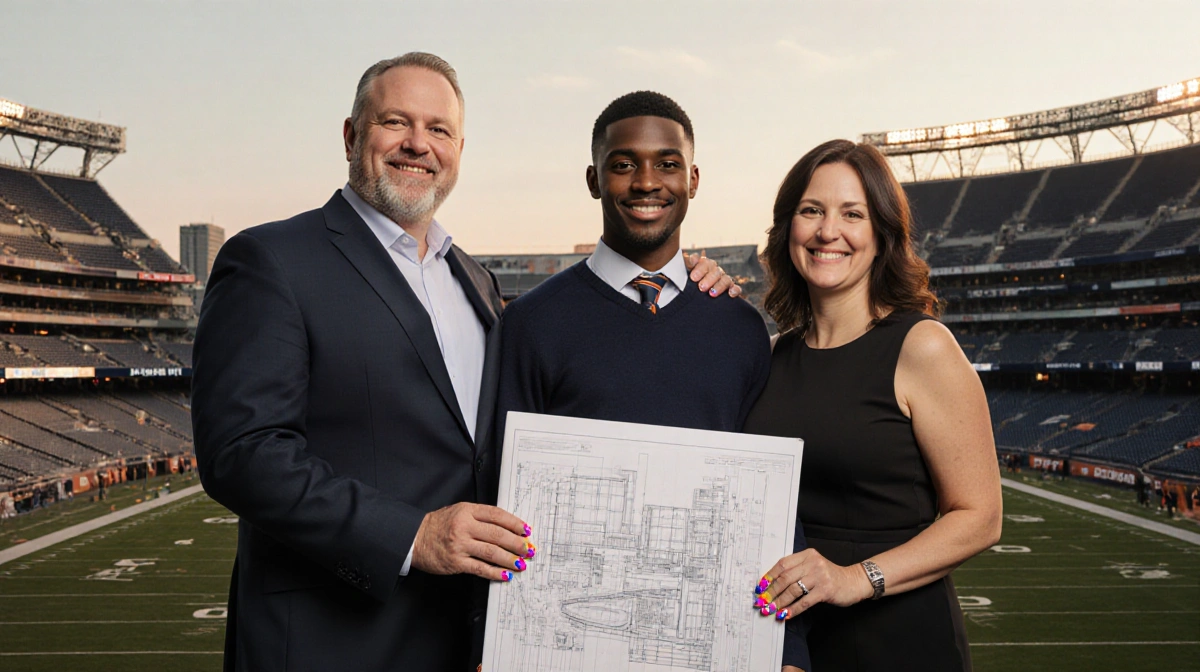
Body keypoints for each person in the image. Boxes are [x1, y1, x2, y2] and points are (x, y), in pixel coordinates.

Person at [192, 55, 732, 672]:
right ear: (351, 135)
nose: (418, 144)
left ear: (458, 149)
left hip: (460, 634)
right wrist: (412, 536)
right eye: (395, 122)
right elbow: (243, 453)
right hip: (332, 636)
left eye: (439, 129)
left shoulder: (473, 278)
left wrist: (683, 289)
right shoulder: (273, 259)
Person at [497, 90, 810, 670]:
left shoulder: (739, 326)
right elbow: (497, 494)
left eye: (667, 164)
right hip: (566, 643)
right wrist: (488, 641)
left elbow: (763, 507)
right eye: (623, 164)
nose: (647, 181)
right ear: (594, 179)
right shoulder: (530, 323)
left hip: (712, 640)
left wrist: (787, 648)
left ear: (693, 179)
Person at [743, 139, 1003, 672]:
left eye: (852, 214)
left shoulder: (922, 346)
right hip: (789, 644)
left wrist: (853, 578)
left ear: (883, 235)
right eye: (810, 210)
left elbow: (981, 517)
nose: (827, 231)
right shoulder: (770, 356)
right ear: (786, 228)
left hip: (897, 640)